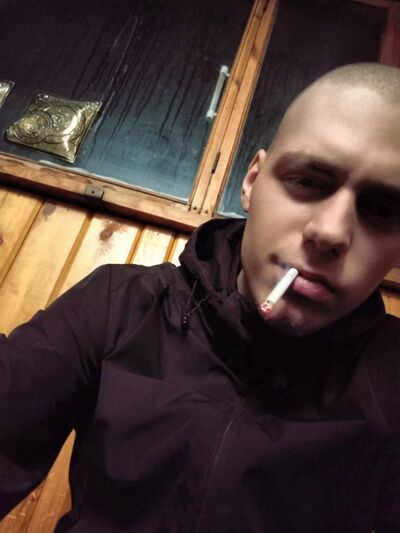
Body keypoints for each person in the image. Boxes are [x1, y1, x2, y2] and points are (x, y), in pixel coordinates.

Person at [1, 62, 400, 532]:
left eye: (382, 209)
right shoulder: (122, 307)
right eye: (308, 181)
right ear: (252, 182)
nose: (331, 232)